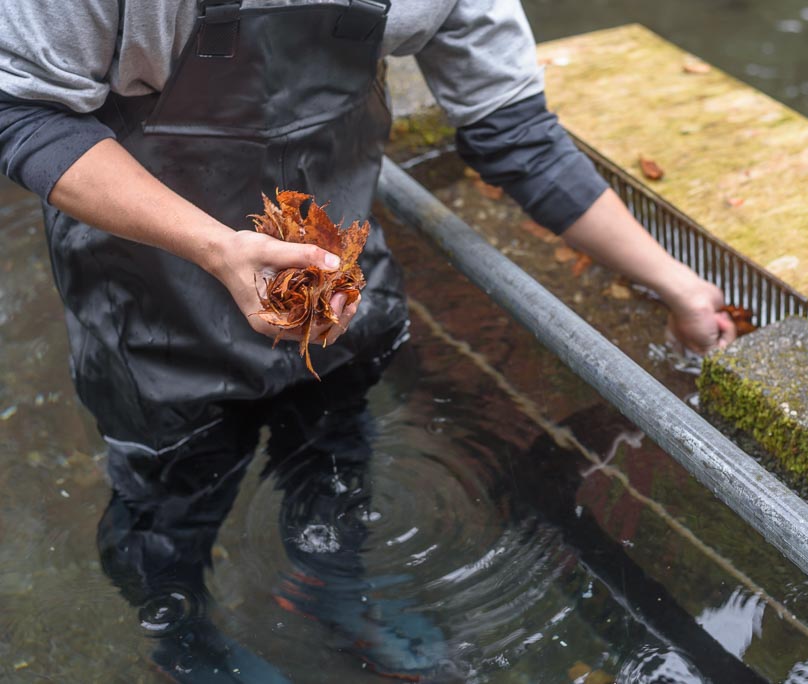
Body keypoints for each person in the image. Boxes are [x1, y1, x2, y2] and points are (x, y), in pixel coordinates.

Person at [0, 0, 737, 679]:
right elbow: (23, 111)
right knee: (166, 506)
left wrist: (676, 286)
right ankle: (182, 635)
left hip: (339, 285)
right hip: (153, 300)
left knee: (337, 456)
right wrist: (215, 247)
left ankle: (333, 590)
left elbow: (514, 132)